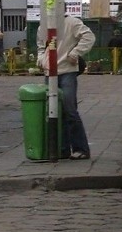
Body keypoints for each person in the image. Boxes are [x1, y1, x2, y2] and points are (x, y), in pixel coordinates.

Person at [37, 15, 96, 160]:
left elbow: (89, 36)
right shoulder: (43, 25)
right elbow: (40, 45)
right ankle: (62, 148)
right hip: (50, 72)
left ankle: (80, 148)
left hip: (67, 70)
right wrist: (41, 59)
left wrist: (75, 53)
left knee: (69, 109)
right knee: (54, 110)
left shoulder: (72, 22)